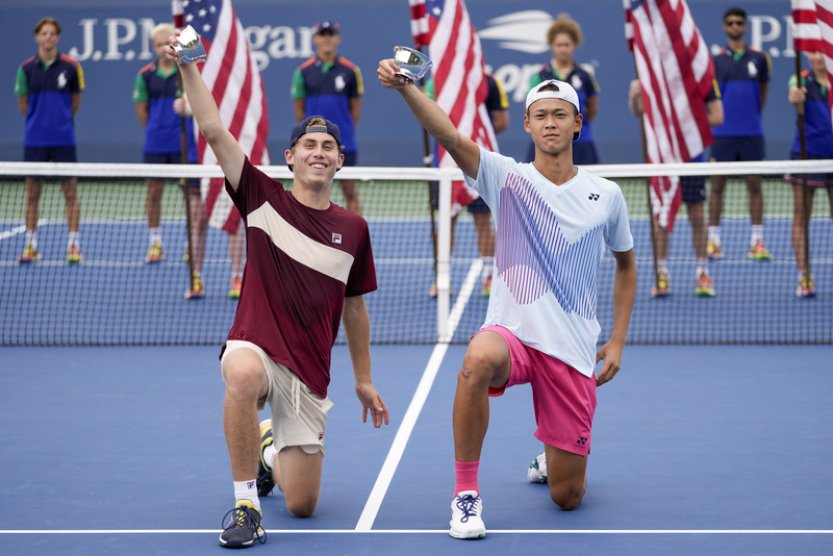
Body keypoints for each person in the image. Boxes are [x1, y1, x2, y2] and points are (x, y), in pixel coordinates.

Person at [379, 60, 636, 539]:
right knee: (477, 359)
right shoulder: (505, 178)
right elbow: (452, 137)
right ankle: (465, 496)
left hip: (571, 350)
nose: (551, 123)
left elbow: (626, 264)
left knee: (567, 498)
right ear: (527, 124)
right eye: (541, 115)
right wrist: (406, 90)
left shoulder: (607, 195)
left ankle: (554, 454)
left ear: (578, 123)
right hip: (513, 335)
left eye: (561, 115)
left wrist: (618, 339)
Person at [167, 33, 389, 549]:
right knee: (240, 373)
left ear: (339, 162)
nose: (318, 152)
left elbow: (354, 307)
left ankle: (269, 449)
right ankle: (245, 507)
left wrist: (363, 379)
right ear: (290, 157)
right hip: (258, 348)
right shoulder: (261, 198)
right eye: (308, 145)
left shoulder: (354, 229)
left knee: (302, 504)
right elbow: (214, 129)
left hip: (307, 372)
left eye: (327, 146)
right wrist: (188, 67)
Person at [628, 79, 724, 297]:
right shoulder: (656, 73)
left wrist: (684, 129)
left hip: (692, 157)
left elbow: (718, 117)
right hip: (663, 158)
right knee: (661, 218)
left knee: (698, 217)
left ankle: (702, 272)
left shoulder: (700, 75)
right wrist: (635, 95)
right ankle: (661, 273)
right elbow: (639, 111)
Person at [426, 71, 509, 298]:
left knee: (483, 221)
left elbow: (501, 120)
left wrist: (471, 138)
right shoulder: (436, 82)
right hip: (445, 165)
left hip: (479, 163)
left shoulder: (490, 82)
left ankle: (490, 276)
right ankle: (441, 277)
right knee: (446, 221)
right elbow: (426, 116)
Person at [15, 16, 84, 263]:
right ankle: (31, 245)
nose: (48, 37)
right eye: (44, 33)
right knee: (32, 194)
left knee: (70, 193)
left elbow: (75, 101)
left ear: (58, 37)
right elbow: (24, 105)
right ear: (37, 37)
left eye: (52, 33)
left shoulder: (71, 67)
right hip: (35, 141)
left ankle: (73, 245)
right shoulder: (25, 70)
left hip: (64, 140)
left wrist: (60, 121)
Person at [708, 7, 772, 261]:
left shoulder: (759, 58)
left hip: (751, 134)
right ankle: (714, 241)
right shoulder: (716, 60)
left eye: (739, 23)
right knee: (716, 187)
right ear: (725, 27)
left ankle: (757, 241)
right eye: (730, 23)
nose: (735, 26)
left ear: (745, 26)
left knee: (755, 186)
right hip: (722, 134)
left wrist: (752, 116)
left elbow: (763, 93)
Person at [291, 21, 363, 214]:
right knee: (310, 192)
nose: (327, 39)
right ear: (315, 39)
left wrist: (344, 132)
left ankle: (355, 240)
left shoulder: (350, 70)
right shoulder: (303, 71)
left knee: (350, 192)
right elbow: (300, 111)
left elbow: (355, 109)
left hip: (345, 143)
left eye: (330, 34)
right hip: (313, 144)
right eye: (323, 35)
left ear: (338, 38)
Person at [133, 23, 184, 264]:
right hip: (155, 143)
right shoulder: (145, 75)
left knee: (188, 195)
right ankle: (155, 243)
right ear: (154, 47)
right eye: (159, 44)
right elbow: (141, 110)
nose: (164, 48)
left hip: (182, 144)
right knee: (153, 194)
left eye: (168, 43)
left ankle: (189, 244)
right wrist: (157, 128)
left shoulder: (186, 71)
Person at [785, 50, 833, 298]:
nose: (818, 57)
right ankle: (804, 275)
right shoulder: (800, 79)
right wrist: (796, 96)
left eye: (823, 52)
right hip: (808, 156)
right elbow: (793, 94)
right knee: (802, 216)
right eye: (814, 53)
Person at [526, 14, 600, 165]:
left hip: (581, 141)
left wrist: (570, 124)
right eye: (559, 45)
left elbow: (591, 109)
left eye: (567, 45)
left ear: (574, 45)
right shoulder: (540, 75)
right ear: (552, 46)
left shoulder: (585, 75)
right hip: (547, 142)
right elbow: (530, 109)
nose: (563, 49)